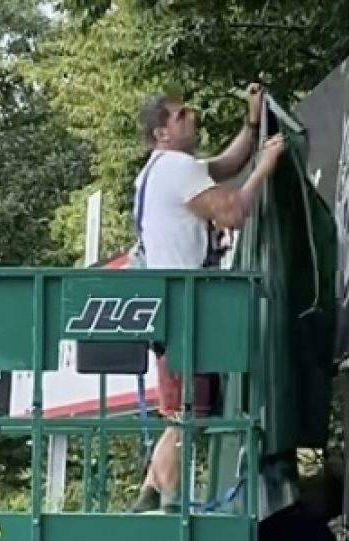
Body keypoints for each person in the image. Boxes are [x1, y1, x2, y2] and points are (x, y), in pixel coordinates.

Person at [130, 85, 286, 513]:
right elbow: (232, 211)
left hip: (169, 304)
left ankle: (152, 491)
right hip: (187, 306)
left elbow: (226, 164)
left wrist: (251, 125)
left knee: (185, 408)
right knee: (190, 411)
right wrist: (265, 166)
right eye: (181, 115)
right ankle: (163, 501)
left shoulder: (159, 170)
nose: (192, 116)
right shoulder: (177, 168)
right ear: (162, 132)